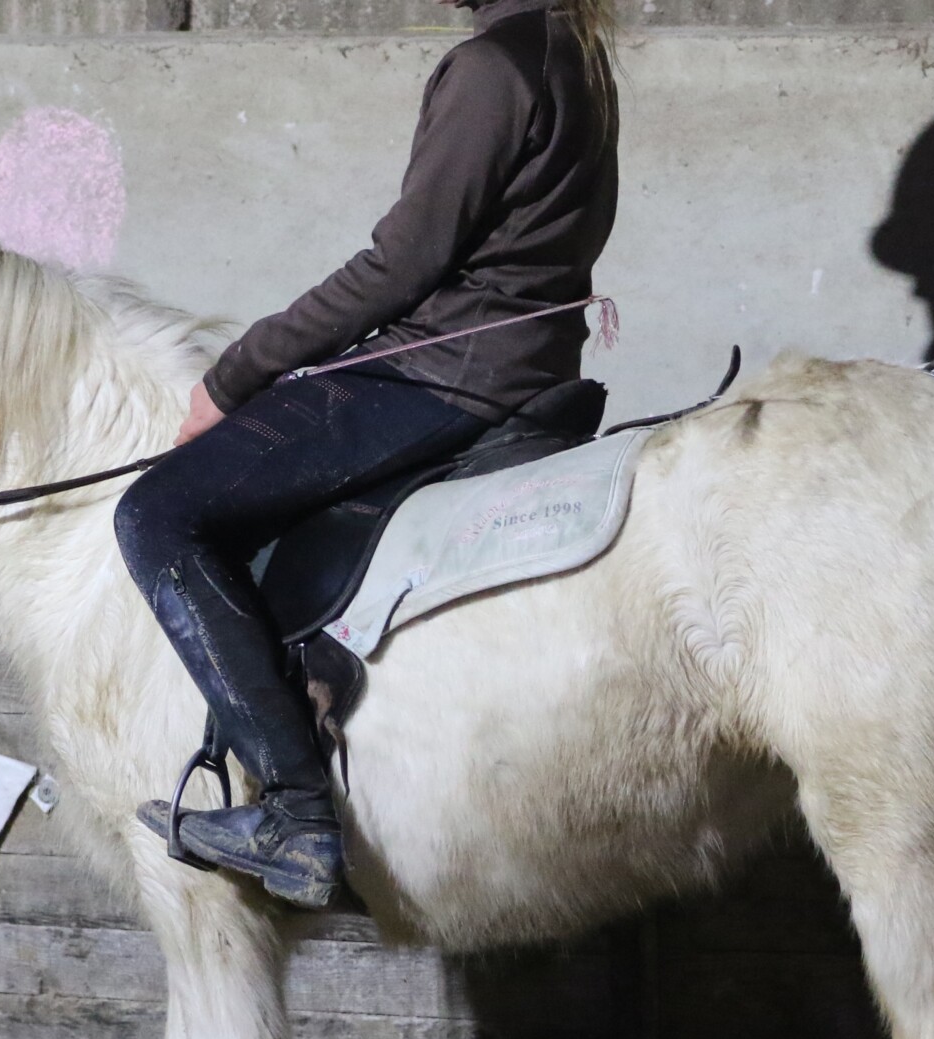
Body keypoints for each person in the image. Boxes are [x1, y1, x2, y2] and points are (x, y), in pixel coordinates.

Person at [113, 0, 619, 910]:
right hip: (518, 361)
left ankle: (297, 813)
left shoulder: (492, 68)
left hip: (445, 375)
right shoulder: (573, 50)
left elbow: (400, 264)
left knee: (158, 513)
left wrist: (235, 375)